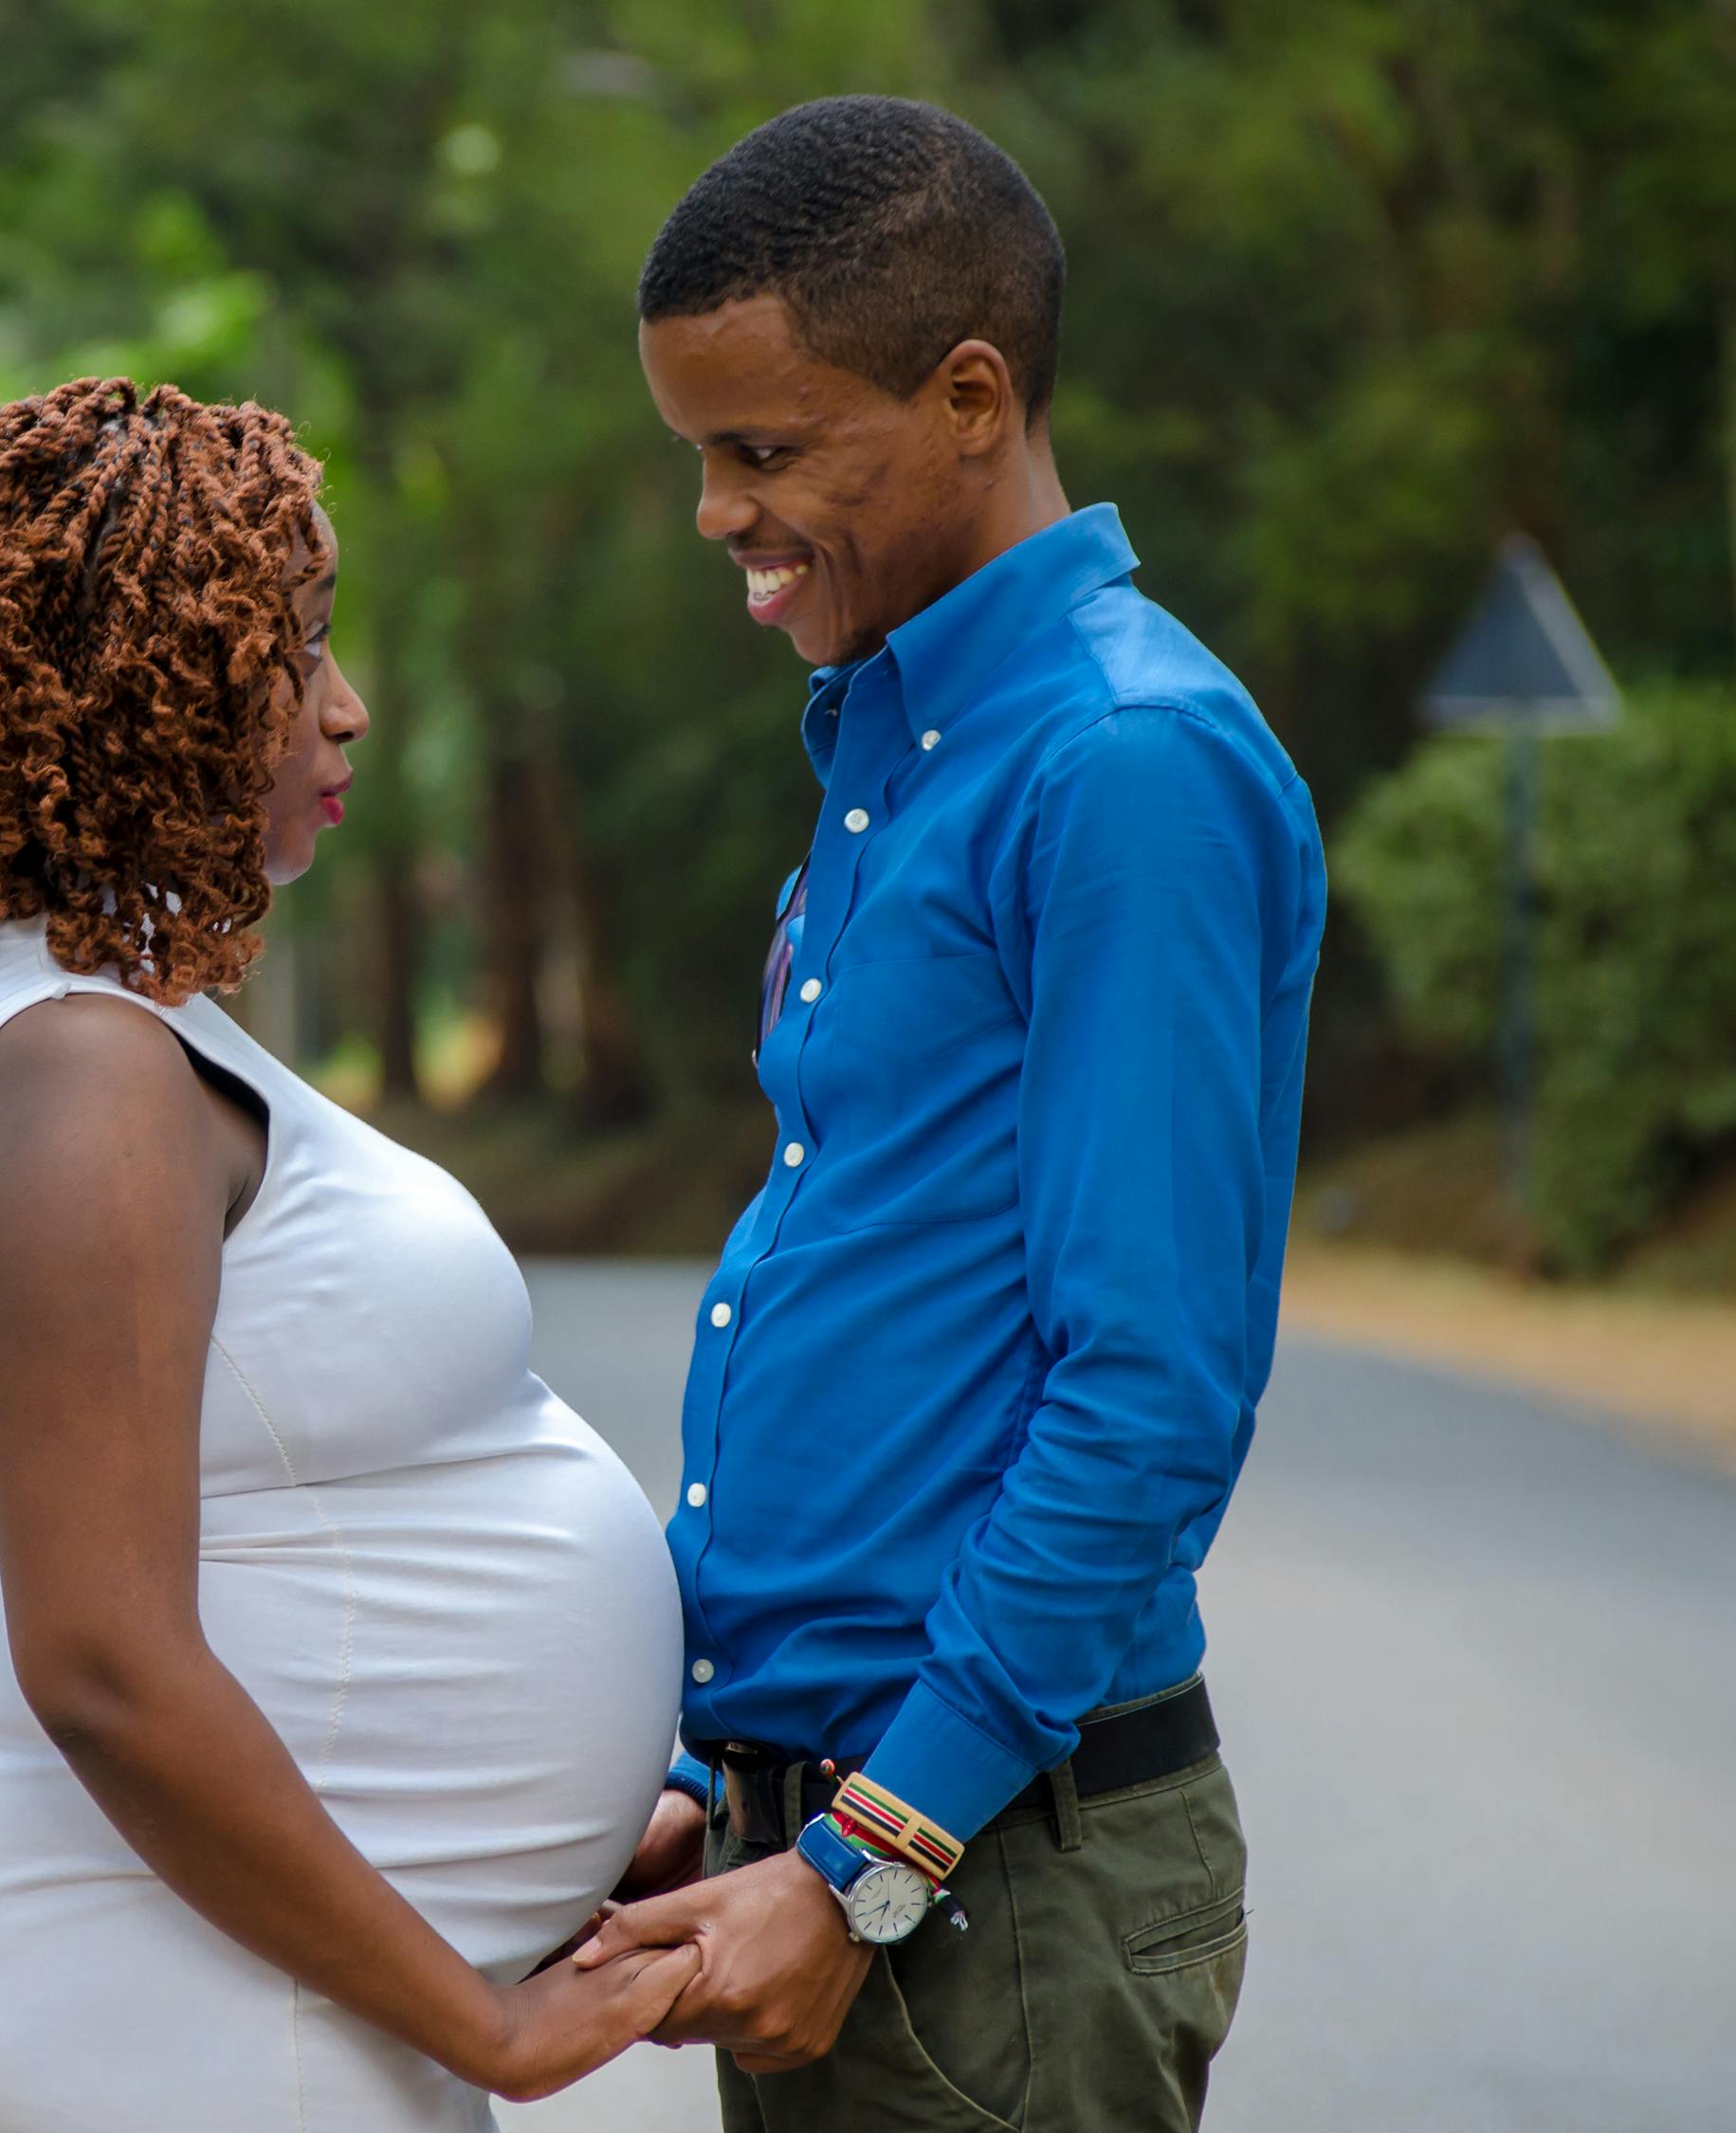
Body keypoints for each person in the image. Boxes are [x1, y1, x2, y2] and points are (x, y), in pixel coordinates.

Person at [0, 376, 699, 2131]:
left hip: (235, 1976)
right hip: (169, 1990)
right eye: (294, 652)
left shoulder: (52, 1017)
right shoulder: (75, 1071)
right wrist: (488, 2026)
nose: (345, 711)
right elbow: (102, 1661)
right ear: (136, 678)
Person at [574, 97, 1329, 2133]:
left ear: (971, 395)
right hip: (829, 1840)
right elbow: (877, 1279)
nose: (719, 511)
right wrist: (693, 1758)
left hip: (983, 1881)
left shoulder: (1119, 766)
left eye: (766, 448)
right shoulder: (899, 744)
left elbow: (1149, 1388)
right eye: (698, 459)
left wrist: (876, 1858)